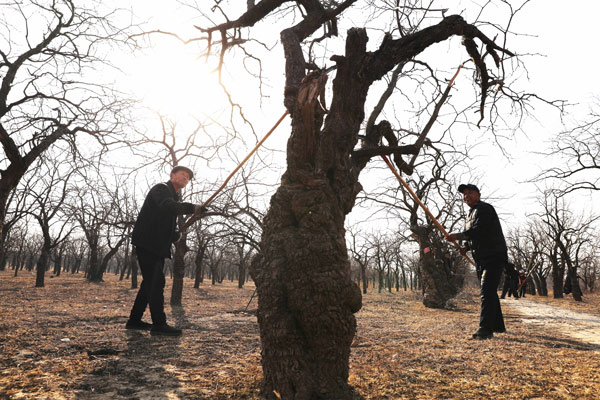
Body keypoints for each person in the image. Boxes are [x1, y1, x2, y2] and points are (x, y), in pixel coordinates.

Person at [125, 166, 205, 336]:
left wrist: (174, 235)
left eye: (188, 177)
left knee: (149, 284)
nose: (185, 178)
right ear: (172, 175)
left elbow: (164, 219)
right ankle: (159, 325)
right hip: (148, 243)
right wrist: (192, 207)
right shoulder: (160, 189)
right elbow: (167, 206)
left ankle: (134, 320)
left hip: (157, 246)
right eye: (182, 174)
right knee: (156, 282)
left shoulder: (173, 198)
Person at [446, 184, 507, 340]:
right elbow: (475, 237)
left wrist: (458, 236)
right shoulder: (470, 214)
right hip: (481, 258)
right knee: (490, 292)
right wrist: (466, 247)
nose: (467, 196)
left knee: (486, 292)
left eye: (470, 193)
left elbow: (479, 230)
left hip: (493, 256)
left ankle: (485, 329)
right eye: (464, 194)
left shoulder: (484, 209)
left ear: (478, 194)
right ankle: (498, 326)